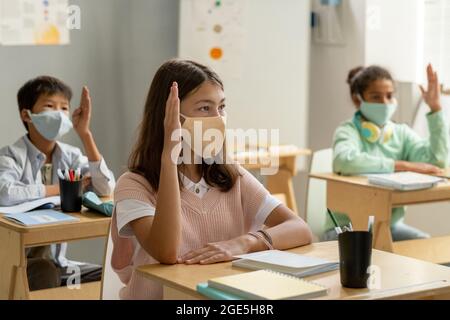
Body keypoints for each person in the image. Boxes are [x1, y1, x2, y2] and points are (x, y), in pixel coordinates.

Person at [110, 59, 313, 299]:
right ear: (169, 114)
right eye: (205, 108)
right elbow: (166, 251)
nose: (218, 118)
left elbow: (300, 229)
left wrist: (243, 243)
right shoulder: (134, 185)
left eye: (222, 107)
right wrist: (169, 158)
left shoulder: (230, 176)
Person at [0, 76, 116, 290]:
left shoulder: (70, 155)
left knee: (109, 277)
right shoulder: (10, 156)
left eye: (64, 108)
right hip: (19, 265)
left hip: (60, 264)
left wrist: (85, 134)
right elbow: (6, 193)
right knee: (44, 271)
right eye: (50, 106)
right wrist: (64, 189)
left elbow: (106, 188)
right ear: (27, 115)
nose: (59, 114)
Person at [323, 64, 449, 242]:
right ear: (358, 100)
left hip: (389, 227)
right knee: (369, 255)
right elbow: (343, 161)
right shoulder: (347, 130)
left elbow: (436, 162)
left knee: (427, 245)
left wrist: (435, 109)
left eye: (389, 96)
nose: (384, 102)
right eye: (376, 97)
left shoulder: (401, 133)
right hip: (346, 229)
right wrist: (401, 165)